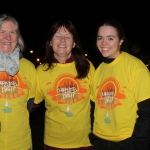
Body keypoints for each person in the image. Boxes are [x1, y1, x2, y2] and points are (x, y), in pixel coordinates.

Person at [89, 18, 150, 150]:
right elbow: (95, 107)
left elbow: (146, 111)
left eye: (110, 38)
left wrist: (138, 144)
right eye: (100, 38)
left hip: (126, 142)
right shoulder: (99, 70)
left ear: (121, 40)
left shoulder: (135, 67)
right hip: (100, 140)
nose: (104, 43)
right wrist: (93, 136)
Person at [33, 20, 95, 150]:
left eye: (68, 37)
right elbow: (31, 104)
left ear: (74, 43)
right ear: (50, 42)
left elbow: (101, 101)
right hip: (53, 143)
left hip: (84, 142)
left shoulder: (87, 67)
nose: (62, 41)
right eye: (57, 36)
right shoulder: (41, 71)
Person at [0, 14, 36, 150]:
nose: (7, 37)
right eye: (2, 32)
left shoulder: (28, 67)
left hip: (22, 144)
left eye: (12, 32)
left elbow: (31, 104)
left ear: (18, 37)